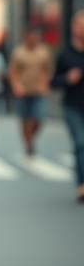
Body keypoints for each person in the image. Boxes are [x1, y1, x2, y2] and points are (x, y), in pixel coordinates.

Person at [51, 10, 84, 202]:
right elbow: (53, 82)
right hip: (71, 107)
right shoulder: (65, 54)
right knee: (80, 142)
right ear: (73, 28)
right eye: (79, 24)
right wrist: (66, 78)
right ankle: (81, 184)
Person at [8, 27, 52, 156]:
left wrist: (44, 84)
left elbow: (47, 70)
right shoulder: (18, 52)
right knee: (24, 119)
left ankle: (30, 138)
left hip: (37, 91)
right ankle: (28, 144)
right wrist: (16, 85)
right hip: (23, 91)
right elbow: (13, 71)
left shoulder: (43, 52)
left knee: (38, 119)